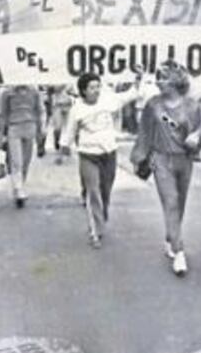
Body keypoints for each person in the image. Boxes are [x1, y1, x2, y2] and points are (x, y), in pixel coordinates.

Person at [131, 61, 201, 276]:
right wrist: (139, 157)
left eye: (163, 78)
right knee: (170, 201)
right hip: (161, 158)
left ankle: (171, 237)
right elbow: (144, 132)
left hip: (185, 159)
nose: (158, 82)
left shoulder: (192, 105)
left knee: (179, 202)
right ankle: (179, 251)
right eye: (158, 77)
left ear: (175, 81)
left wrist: (197, 137)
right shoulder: (153, 104)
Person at [60, 72, 142, 248]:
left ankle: (102, 215)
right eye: (92, 88)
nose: (96, 91)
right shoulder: (77, 109)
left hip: (109, 153)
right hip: (88, 154)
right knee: (93, 192)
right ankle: (95, 231)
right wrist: (65, 147)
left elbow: (129, 95)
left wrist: (138, 79)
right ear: (83, 91)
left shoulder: (108, 100)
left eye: (98, 86)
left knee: (105, 190)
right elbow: (70, 130)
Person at [0, 85, 44, 207]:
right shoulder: (7, 93)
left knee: (26, 161)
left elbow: (39, 111)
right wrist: (1, 135)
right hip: (14, 127)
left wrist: (40, 131)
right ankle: (18, 189)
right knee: (16, 161)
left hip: (30, 127)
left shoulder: (34, 91)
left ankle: (20, 184)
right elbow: (3, 114)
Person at [51, 84, 74, 163]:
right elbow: (54, 88)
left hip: (68, 105)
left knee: (67, 129)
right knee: (58, 128)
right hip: (58, 105)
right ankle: (58, 147)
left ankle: (64, 149)